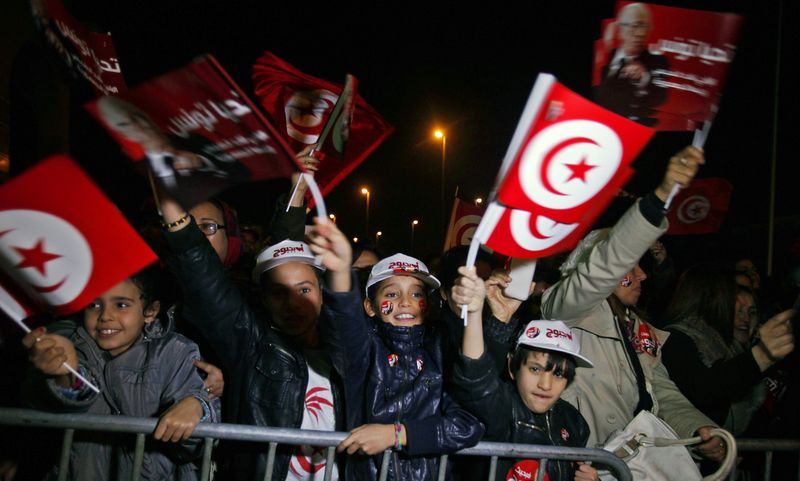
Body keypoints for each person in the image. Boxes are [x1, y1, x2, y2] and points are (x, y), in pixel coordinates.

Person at [540, 146, 730, 463]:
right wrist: (658, 200)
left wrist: (701, 430)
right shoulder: (565, 311)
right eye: (630, 267)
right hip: (585, 466)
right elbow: (602, 268)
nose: (642, 275)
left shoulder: (640, 330)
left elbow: (662, 394)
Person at [160, 195, 352, 481]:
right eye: (279, 293)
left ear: (323, 293)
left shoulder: (350, 349)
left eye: (304, 290)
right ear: (263, 299)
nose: (293, 304)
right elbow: (206, 281)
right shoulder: (255, 345)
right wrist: (172, 209)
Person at [21, 267, 219, 481]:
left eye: (121, 305)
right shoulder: (70, 348)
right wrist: (65, 375)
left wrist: (197, 408)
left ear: (150, 311)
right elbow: (42, 399)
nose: (105, 316)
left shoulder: (175, 352)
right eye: (94, 304)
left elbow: (196, 442)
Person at [316, 246, 484, 481]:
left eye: (417, 294)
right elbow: (342, 324)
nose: (406, 302)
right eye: (392, 294)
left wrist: (398, 435)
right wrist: (340, 273)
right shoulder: (361, 352)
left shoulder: (442, 352)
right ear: (369, 306)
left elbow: (469, 426)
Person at [450, 265, 598, 481]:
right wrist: (474, 314)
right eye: (535, 369)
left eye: (558, 374)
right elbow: (475, 380)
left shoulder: (575, 422)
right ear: (512, 367)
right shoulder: (501, 408)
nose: (545, 385)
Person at [660, 264, 794, 435]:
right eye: (730, 294)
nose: (733, 302)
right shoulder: (676, 338)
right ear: (713, 296)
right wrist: (761, 356)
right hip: (695, 449)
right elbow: (702, 391)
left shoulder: (719, 338)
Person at [96, 96, 248, 208]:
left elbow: (242, 171)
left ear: (146, 115)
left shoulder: (194, 140)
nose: (139, 125)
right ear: (123, 134)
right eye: (125, 124)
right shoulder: (138, 168)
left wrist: (202, 161)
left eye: (137, 116)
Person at [595, 2, 668, 127]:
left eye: (645, 26)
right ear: (621, 29)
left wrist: (645, 79)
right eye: (635, 26)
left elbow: (659, 100)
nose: (641, 34)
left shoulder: (658, 62)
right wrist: (605, 48)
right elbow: (598, 95)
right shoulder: (606, 55)